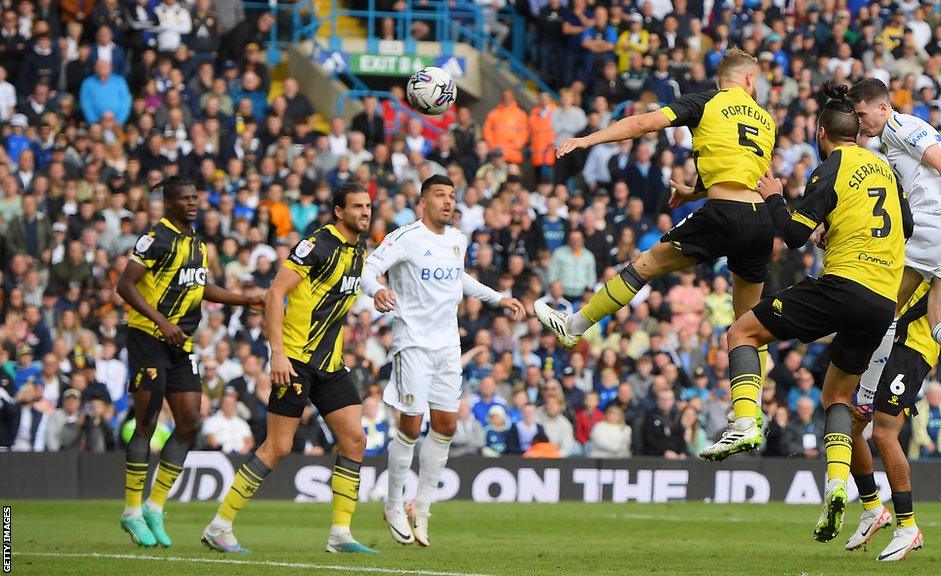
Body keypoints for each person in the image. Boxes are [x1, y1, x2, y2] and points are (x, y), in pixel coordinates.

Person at [706, 81, 911, 544]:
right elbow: (908, 225)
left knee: (741, 332)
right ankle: (841, 487)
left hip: (843, 284)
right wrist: (836, 228)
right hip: (882, 301)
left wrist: (776, 195)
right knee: (836, 397)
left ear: (822, 133)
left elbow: (794, 234)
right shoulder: (885, 169)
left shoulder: (831, 167)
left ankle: (744, 420)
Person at [537, 48, 776, 416]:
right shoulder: (765, 120)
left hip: (724, 213)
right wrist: (692, 191)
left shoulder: (707, 102)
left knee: (644, 265)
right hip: (761, 221)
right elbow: (746, 175)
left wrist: (588, 140)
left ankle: (574, 325)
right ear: (748, 79)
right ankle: (749, 416)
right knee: (747, 325)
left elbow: (642, 123)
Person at [202, 183, 376, 554]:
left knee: (355, 440)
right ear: (338, 211)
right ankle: (219, 526)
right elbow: (275, 293)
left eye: (368, 206)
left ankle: (340, 534)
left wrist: (379, 294)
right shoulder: (318, 245)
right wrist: (277, 353)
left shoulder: (359, 250)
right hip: (295, 358)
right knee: (278, 447)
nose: (366, 212)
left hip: (330, 362)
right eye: (358, 206)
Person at [360, 174, 525, 547]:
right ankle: (393, 505)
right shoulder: (405, 238)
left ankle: (423, 508)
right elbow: (368, 270)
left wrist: (499, 297)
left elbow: (458, 280)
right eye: (440, 195)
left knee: (446, 426)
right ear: (423, 202)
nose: (448, 202)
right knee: (411, 424)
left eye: (452, 195)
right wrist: (379, 289)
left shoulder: (456, 239)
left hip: (448, 346)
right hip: (413, 344)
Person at [115, 176, 262, 548]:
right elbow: (125, 285)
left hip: (182, 343)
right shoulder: (155, 238)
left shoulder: (197, 243)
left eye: (195, 198)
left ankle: (154, 506)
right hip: (149, 339)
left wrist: (243, 300)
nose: (193, 203)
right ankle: (131, 512)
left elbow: (201, 287)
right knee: (146, 423)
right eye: (185, 198)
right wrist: (161, 322)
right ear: (168, 203)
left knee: (189, 423)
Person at [848, 78, 941, 422]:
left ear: (883, 107)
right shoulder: (890, 140)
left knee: (886, 308)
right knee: (939, 319)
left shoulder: (900, 126)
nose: (859, 122)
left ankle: (866, 396)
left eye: (862, 114)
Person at [845, 283, 934, 561]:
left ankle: (908, 527)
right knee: (849, 429)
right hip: (883, 341)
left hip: (911, 345)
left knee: (884, 433)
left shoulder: (934, 247)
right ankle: (873, 507)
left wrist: (894, 323)